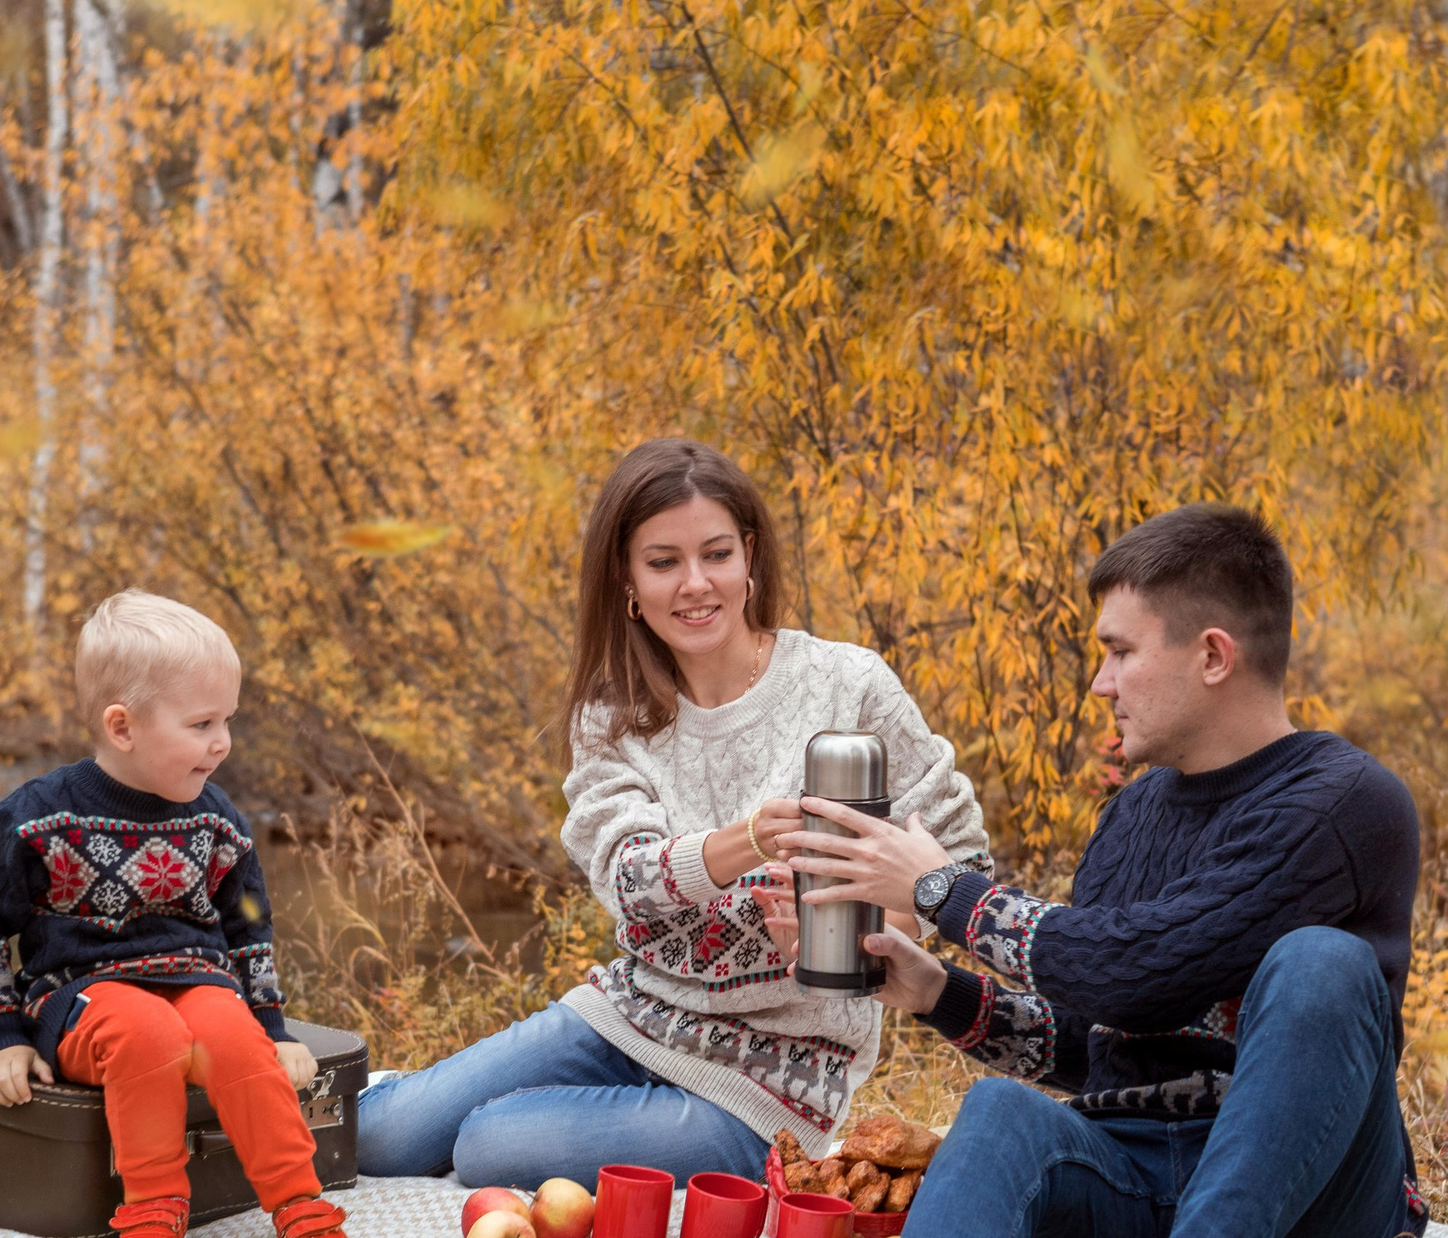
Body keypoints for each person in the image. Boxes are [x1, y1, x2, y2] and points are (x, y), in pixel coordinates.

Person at [767, 505, 1424, 1238]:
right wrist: (940, 991)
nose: (1098, 682)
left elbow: (1130, 963)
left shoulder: (1347, 804)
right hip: (1124, 1219)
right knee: (996, 1115)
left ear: (1211, 655)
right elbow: (1102, 1040)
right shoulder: (1130, 817)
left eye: (1117, 652)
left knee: (1321, 967)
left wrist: (944, 889)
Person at [355, 437, 992, 1189]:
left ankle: (602, 1126)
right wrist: (749, 838)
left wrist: (879, 934)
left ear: (749, 556)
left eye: (716, 554)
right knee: (381, 1137)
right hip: (632, 1016)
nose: (696, 584)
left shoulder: (846, 684)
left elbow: (962, 862)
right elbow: (628, 886)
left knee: (489, 1144)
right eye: (663, 562)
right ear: (626, 578)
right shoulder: (611, 715)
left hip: (772, 1079)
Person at [0, 590, 360, 1238]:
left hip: (196, 982)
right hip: (81, 996)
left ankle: (301, 1206)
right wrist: (0, 1038)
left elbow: (246, 929)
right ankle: (153, 1210)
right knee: (147, 1032)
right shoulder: (35, 818)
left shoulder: (218, 819)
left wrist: (271, 1027)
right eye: (202, 723)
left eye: (227, 719)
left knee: (231, 1037)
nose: (222, 741)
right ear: (123, 726)